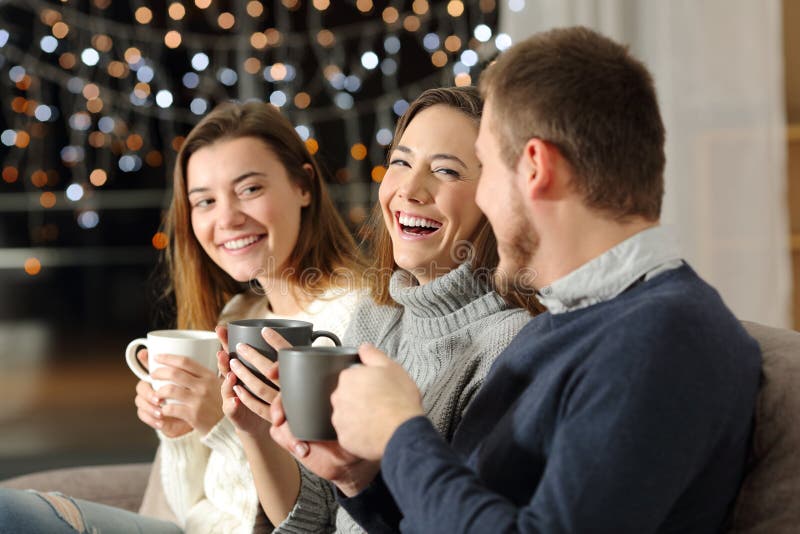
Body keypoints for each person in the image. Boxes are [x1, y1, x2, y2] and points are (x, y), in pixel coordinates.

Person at [316, 27, 762, 533]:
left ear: (535, 169)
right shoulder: (564, 326)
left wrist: (401, 432)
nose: (481, 202)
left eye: (485, 172)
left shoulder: (665, 337)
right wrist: (361, 480)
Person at [0, 101, 364, 533]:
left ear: (304, 185)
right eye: (204, 201)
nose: (226, 218)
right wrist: (180, 434)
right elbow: (184, 507)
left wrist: (218, 423)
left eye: (249, 189)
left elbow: (310, 515)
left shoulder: (351, 319)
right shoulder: (238, 314)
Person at [220, 86, 538, 533]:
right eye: (401, 162)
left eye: (445, 171)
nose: (410, 189)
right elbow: (319, 521)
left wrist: (365, 472)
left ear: (497, 199)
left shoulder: (509, 345)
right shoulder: (376, 312)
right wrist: (257, 432)